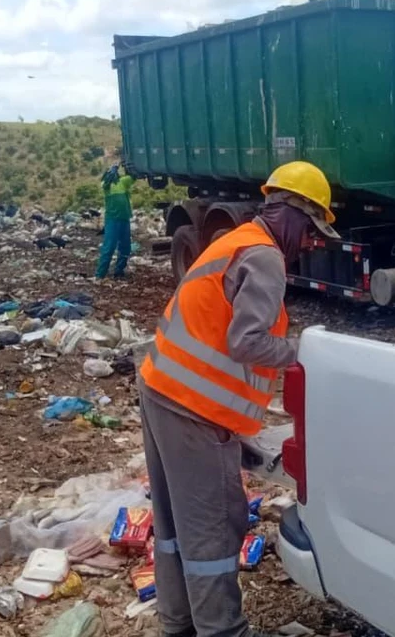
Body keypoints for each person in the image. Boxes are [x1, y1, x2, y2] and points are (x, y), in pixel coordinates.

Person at [138, 160, 339, 637]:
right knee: (212, 526)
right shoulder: (265, 255)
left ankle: (179, 625)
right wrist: (304, 352)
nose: (310, 242)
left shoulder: (237, 240)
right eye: (310, 228)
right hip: (192, 408)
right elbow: (246, 342)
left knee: (174, 525)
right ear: (290, 210)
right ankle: (223, 630)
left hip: (161, 388)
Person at [96, 163, 134, 279]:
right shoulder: (106, 186)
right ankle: (100, 275)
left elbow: (133, 176)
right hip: (112, 220)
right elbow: (105, 183)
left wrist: (126, 166)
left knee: (125, 247)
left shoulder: (123, 182)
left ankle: (119, 271)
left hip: (124, 219)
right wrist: (111, 171)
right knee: (109, 247)